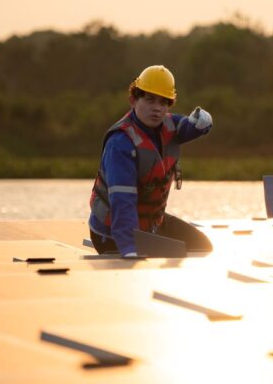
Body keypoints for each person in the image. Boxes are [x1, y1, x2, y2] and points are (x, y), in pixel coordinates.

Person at [88, 65, 214, 257]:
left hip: (150, 225)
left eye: (163, 102)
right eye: (150, 100)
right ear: (133, 100)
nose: (157, 108)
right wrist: (130, 248)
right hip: (112, 233)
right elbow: (122, 201)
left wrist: (201, 122)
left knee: (202, 246)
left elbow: (188, 127)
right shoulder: (120, 143)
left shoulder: (169, 124)